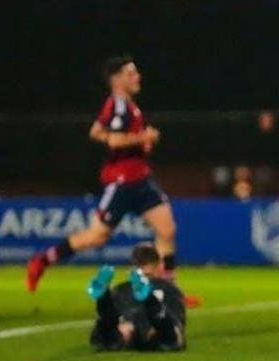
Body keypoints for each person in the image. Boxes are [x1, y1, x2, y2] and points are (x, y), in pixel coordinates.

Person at [26, 55, 186, 300]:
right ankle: (43, 260)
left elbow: (96, 131)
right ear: (117, 79)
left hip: (141, 179)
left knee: (167, 230)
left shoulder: (123, 104)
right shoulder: (120, 105)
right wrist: (145, 137)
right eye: (131, 73)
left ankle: (170, 291)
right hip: (122, 182)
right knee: (97, 236)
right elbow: (114, 139)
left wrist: (134, 139)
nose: (137, 77)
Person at [88, 243, 186, 352]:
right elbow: (178, 319)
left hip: (128, 324)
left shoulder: (120, 289)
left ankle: (104, 297)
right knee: (169, 337)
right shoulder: (170, 288)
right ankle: (148, 298)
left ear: (132, 268)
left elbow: (96, 335)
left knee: (112, 336)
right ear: (160, 265)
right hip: (157, 323)